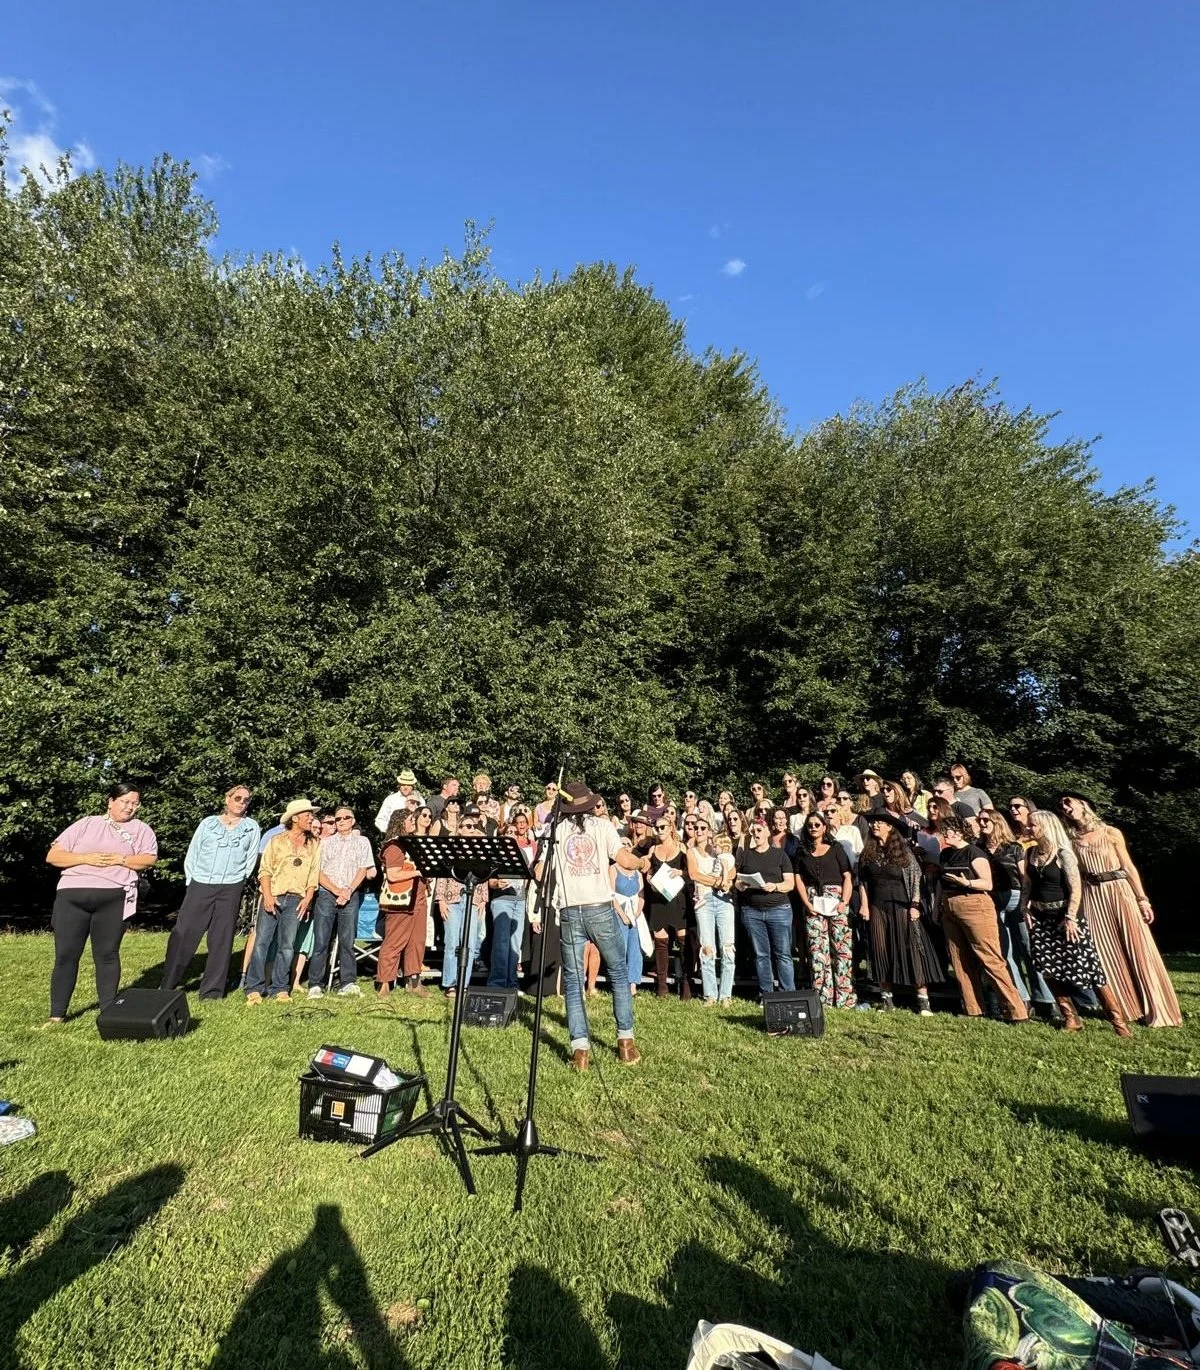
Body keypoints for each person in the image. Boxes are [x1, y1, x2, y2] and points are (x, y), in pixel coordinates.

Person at [538, 780, 645, 1070]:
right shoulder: (603, 827)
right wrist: (642, 861)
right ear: (589, 804)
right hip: (600, 907)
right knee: (618, 973)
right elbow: (624, 859)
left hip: (570, 909)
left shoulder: (555, 830)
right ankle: (626, 1044)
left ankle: (580, 1053)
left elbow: (539, 871)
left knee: (573, 981)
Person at [1059, 793, 1181, 1028]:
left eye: (1068, 801)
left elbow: (1128, 867)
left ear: (1083, 804)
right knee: (1106, 951)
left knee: (1138, 947)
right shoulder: (1071, 840)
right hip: (1092, 896)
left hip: (1118, 891)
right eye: (1061, 806)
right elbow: (1075, 878)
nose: (1064, 807)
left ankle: (1157, 1008)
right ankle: (1126, 1007)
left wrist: (1142, 899)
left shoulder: (1110, 832)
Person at [45, 782, 158, 1022]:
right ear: (110, 801)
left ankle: (108, 1012)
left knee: (107, 954)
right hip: (71, 896)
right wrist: (86, 858)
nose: (129, 808)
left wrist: (121, 859)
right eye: (125, 802)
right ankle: (57, 1014)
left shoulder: (141, 829)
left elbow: (148, 860)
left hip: (114, 898)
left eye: (134, 803)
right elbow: (53, 856)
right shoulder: (86, 824)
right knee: (66, 955)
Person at [1026, 810, 1130, 1036]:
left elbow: (1076, 888)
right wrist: (1026, 907)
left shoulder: (1064, 854)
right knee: (1047, 968)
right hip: (1041, 918)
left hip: (1066, 917)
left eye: (1032, 825)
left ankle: (1118, 1022)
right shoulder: (1032, 854)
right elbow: (1028, 885)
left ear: (1046, 827)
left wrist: (1071, 917)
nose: (1028, 828)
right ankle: (1070, 1017)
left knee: (1088, 967)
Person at [162, 784, 260, 1000]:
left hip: (231, 886)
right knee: (184, 933)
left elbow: (250, 858)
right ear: (227, 799)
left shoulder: (252, 827)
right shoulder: (208, 823)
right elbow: (193, 851)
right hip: (201, 882)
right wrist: (192, 879)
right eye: (237, 798)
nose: (241, 803)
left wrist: (239, 880)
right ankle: (168, 983)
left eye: (246, 800)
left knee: (222, 938)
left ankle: (212, 991)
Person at [936, 815, 1028, 1022]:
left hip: (974, 904)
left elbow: (987, 884)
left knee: (989, 957)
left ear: (959, 832)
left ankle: (1016, 1010)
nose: (945, 834)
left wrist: (966, 882)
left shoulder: (974, 852)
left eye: (948, 830)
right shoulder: (945, 854)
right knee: (959, 958)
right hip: (949, 905)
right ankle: (972, 1007)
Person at [857, 812, 942, 1014]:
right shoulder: (868, 852)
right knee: (880, 949)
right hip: (878, 906)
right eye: (873, 822)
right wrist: (864, 905)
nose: (875, 825)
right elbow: (863, 881)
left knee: (912, 949)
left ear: (890, 827)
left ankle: (923, 1000)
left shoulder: (904, 853)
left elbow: (915, 878)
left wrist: (914, 905)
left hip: (902, 906)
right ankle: (886, 999)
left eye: (879, 822)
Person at [976, 808, 1054, 1015]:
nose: (982, 823)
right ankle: (1021, 997)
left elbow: (1024, 877)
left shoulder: (1013, 847)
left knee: (1027, 948)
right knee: (1005, 951)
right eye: (979, 820)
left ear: (996, 822)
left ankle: (1045, 998)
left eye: (986, 820)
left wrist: (1025, 903)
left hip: (1015, 895)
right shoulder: (978, 847)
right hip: (992, 897)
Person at [245, 799, 321, 1004]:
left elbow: (314, 873)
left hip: (297, 899)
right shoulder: (276, 840)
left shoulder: (314, 843)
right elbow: (265, 870)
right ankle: (254, 987)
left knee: (287, 945)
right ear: (295, 818)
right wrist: (267, 896)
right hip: (275, 895)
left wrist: (308, 898)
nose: (311, 818)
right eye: (307, 815)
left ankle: (280, 987)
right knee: (262, 942)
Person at [306, 806, 375, 997]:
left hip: (350, 893)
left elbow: (363, 869)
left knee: (347, 940)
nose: (342, 821)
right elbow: (318, 872)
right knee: (321, 940)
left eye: (346, 818)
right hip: (327, 893)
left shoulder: (363, 842)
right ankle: (315, 983)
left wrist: (348, 891)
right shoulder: (326, 843)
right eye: (338, 819)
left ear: (353, 821)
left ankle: (348, 982)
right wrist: (336, 890)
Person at [794, 813, 856, 1008]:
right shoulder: (802, 851)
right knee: (818, 950)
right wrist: (807, 903)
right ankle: (823, 997)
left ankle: (845, 997)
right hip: (813, 902)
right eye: (810, 825)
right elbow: (798, 879)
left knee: (841, 948)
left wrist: (844, 901)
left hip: (836, 900)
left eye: (817, 824)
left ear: (824, 827)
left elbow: (847, 876)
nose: (813, 827)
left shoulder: (836, 849)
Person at [735, 815, 797, 997]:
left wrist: (774, 886)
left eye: (759, 830)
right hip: (753, 912)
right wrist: (742, 885)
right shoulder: (746, 855)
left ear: (768, 832)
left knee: (783, 954)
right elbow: (737, 882)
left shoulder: (779, 854)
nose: (756, 834)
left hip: (778, 909)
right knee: (761, 955)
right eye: (753, 831)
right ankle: (766, 994)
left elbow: (790, 883)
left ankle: (787, 994)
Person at [376, 810, 429, 998]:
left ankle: (414, 981)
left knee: (417, 941)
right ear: (400, 823)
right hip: (400, 900)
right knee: (394, 941)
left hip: (418, 898)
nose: (413, 822)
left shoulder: (412, 844)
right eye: (410, 820)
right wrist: (418, 872)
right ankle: (384, 983)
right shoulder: (394, 846)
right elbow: (393, 875)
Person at [687, 815, 736, 1005]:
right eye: (695, 828)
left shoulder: (718, 850)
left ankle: (726, 994)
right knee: (707, 947)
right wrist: (718, 881)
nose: (698, 831)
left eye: (702, 828)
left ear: (708, 832)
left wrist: (726, 880)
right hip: (705, 900)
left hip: (724, 900)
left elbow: (731, 869)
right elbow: (694, 874)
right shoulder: (692, 852)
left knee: (728, 947)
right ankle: (710, 994)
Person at [645, 810, 692, 998]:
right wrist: (649, 881)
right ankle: (662, 986)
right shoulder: (652, 850)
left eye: (662, 827)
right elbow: (647, 872)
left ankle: (686, 985)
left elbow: (691, 873)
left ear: (671, 828)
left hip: (678, 898)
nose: (659, 831)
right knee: (661, 943)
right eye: (656, 828)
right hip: (659, 900)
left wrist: (680, 873)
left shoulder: (682, 848)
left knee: (682, 942)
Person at [488, 817, 534, 990]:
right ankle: (497, 983)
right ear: (502, 835)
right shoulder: (496, 853)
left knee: (515, 944)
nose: (512, 835)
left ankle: (511, 982)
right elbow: (489, 881)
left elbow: (528, 876)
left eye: (514, 833)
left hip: (520, 901)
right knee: (501, 943)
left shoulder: (522, 853)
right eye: (508, 832)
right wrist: (496, 884)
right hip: (502, 901)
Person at [611, 837, 646, 996]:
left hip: (635, 914)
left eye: (628, 844)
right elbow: (611, 895)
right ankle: (619, 982)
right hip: (619, 911)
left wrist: (638, 912)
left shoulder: (637, 873)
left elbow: (641, 894)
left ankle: (633, 983)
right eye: (622, 844)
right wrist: (622, 914)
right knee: (621, 947)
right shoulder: (613, 869)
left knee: (635, 948)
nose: (625, 846)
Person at [374, 768, 424, 835]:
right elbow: (379, 820)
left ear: (413, 786)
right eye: (403, 784)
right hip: (394, 837)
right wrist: (391, 830)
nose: (405, 787)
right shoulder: (391, 799)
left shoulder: (420, 800)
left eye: (408, 785)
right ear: (399, 785)